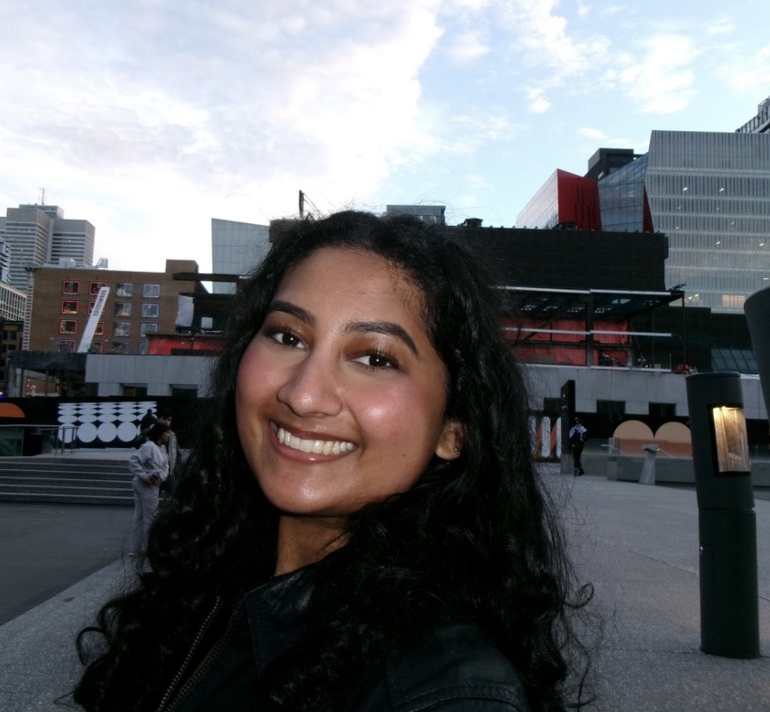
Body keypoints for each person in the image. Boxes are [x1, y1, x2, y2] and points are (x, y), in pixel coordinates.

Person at [76, 211, 592, 711]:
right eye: (287, 336)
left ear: (453, 428)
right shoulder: (207, 581)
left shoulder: (447, 687)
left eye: (374, 358)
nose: (304, 395)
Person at [127, 422, 171, 556]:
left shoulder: (160, 448)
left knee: (140, 516)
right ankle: (146, 547)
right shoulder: (149, 447)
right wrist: (143, 476)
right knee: (148, 517)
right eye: (166, 433)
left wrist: (160, 477)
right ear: (160, 434)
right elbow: (133, 460)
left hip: (151, 482)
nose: (168, 436)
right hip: (147, 484)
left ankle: (136, 547)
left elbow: (165, 468)